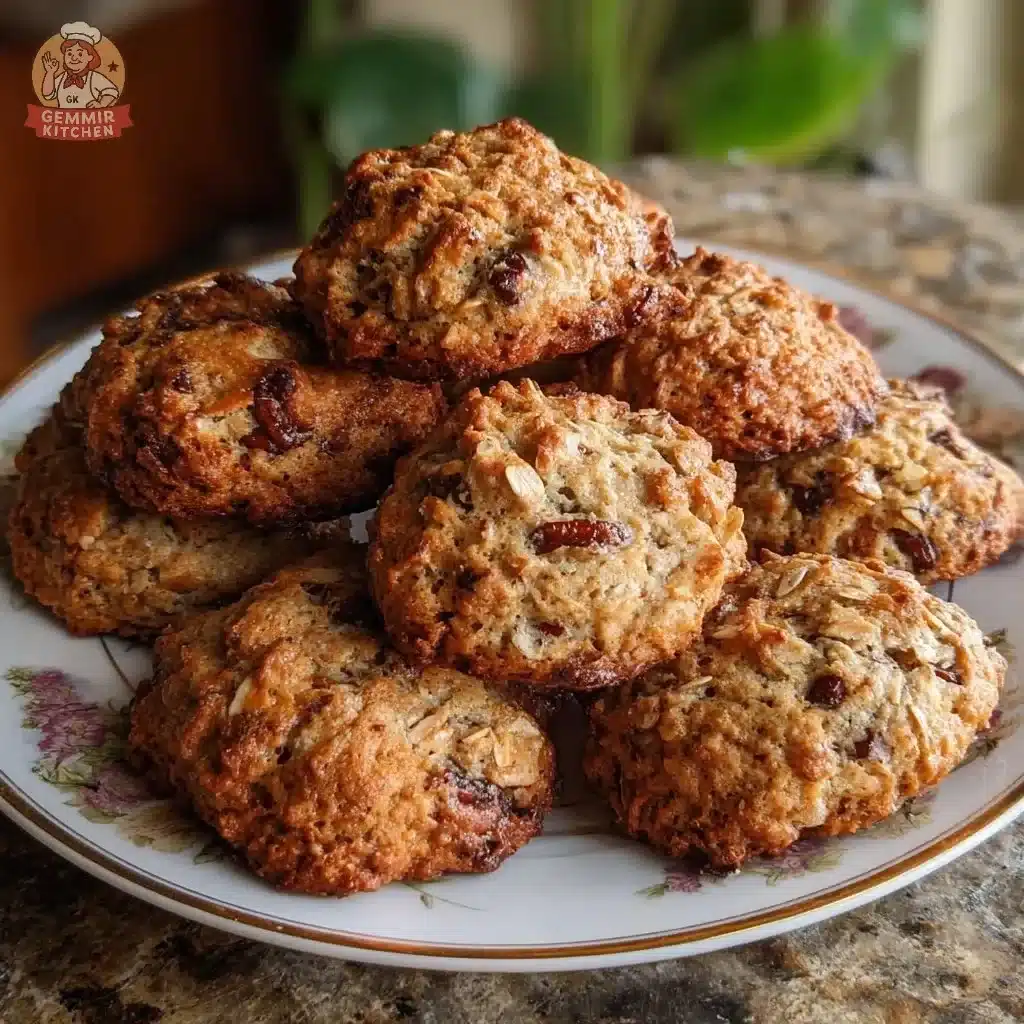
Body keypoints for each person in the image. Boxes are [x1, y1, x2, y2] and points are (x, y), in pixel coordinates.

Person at [40, 22, 119, 110]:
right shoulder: (62, 77)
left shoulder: (93, 77)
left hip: (89, 118)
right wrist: (50, 73)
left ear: (90, 57)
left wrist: (101, 104)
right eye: (69, 53)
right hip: (64, 118)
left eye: (80, 54)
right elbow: (48, 95)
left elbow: (111, 92)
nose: (74, 58)